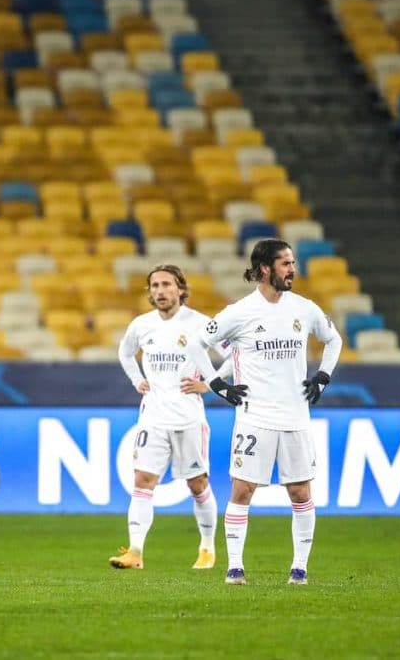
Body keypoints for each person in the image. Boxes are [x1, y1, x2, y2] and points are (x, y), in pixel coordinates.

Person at [196, 239, 341, 586]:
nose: (293, 270)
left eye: (293, 263)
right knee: (242, 490)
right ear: (265, 268)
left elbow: (333, 340)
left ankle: (300, 569)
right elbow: (197, 343)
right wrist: (218, 385)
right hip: (255, 417)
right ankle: (234, 568)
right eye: (286, 264)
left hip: (295, 417)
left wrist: (322, 376)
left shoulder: (304, 308)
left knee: (301, 493)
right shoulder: (240, 312)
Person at [109, 264, 245, 571]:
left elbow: (235, 353)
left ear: (180, 289)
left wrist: (209, 384)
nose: (160, 291)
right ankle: (135, 552)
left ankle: (207, 548)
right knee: (142, 480)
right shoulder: (142, 325)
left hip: (188, 419)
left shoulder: (200, 323)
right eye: (154, 285)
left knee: (197, 485)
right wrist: (137, 380)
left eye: (166, 284)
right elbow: (125, 352)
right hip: (153, 418)